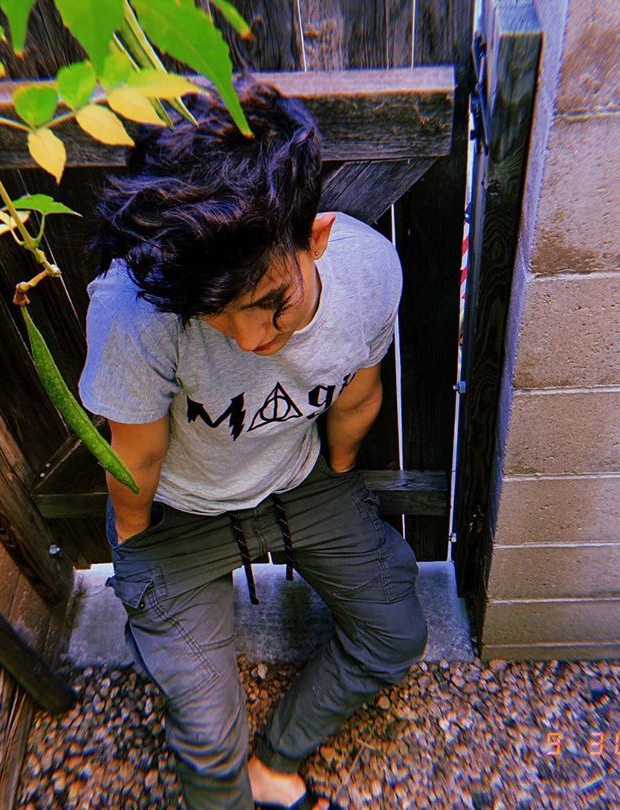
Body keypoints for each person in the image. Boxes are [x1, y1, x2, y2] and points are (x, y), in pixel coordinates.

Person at [80, 76, 428, 810]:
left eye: (272, 304)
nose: (249, 339)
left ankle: (277, 762)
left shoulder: (368, 272)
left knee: (395, 632)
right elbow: (135, 458)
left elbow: (359, 394)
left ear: (317, 239)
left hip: (301, 477)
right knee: (206, 738)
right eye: (216, 313)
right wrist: (138, 548)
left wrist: (337, 477)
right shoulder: (135, 310)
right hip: (176, 512)